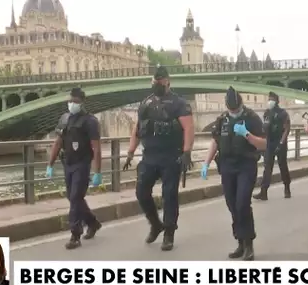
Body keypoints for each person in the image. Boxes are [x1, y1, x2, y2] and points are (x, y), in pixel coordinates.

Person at [122, 66, 194, 251]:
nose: (157, 85)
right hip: (150, 156)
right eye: (155, 82)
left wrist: (186, 152)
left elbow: (188, 128)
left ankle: (169, 232)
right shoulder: (146, 103)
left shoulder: (179, 103)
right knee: (141, 192)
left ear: (168, 81)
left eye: (160, 82)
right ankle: (155, 223)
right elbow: (138, 129)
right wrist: (130, 152)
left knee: (169, 195)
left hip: (171, 155)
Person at [200, 86, 266, 261]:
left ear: (241, 104)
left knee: (242, 203)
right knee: (232, 205)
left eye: (236, 109)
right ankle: (240, 241)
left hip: (246, 165)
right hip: (227, 167)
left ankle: (249, 244)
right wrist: (206, 163)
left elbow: (264, 144)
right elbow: (215, 142)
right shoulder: (222, 120)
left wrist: (247, 135)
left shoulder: (252, 119)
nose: (233, 112)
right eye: (231, 109)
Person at [46, 87, 103, 250]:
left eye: (75, 101)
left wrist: (97, 172)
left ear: (82, 102)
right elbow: (57, 142)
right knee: (73, 198)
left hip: (82, 164)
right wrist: (50, 164)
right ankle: (92, 222)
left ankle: (75, 235)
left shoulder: (90, 121)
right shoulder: (64, 118)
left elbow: (96, 148)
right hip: (68, 163)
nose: (72, 104)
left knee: (76, 198)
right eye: (70, 101)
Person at [253, 91, 291, 201]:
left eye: (272, 100)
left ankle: (287, 187)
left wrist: (281, 143)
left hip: (280, 143)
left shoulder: (283, 113)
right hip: (270, 143)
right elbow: (264, 129)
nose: (270, 101)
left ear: (277, 101)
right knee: (267, 168)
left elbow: (287, 129)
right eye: (269, 99)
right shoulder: (267, 113)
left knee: (283, 166)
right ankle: (264, 192)